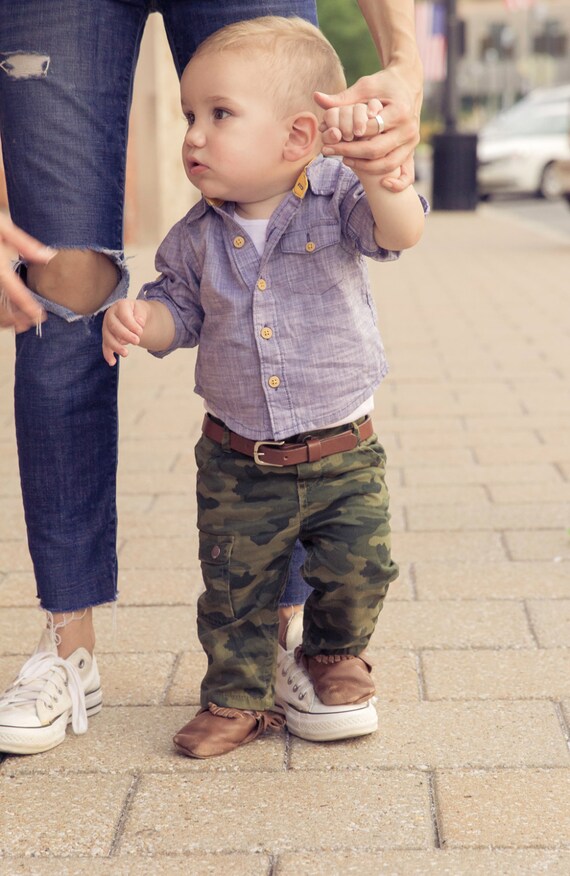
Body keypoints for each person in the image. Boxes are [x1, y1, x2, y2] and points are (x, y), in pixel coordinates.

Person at [0, 0, 423, 756]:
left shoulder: (333, 196)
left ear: (300, 137)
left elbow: (399, 232)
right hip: (237, 461)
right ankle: (113, 661)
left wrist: (387, 163)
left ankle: (308, 657)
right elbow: (175, 308)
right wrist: (144, 324)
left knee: (360, 565)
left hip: (339, 449)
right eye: (188, 117)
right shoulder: (193, 237)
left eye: (215, 116)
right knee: (229, 588)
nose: (191, 136)